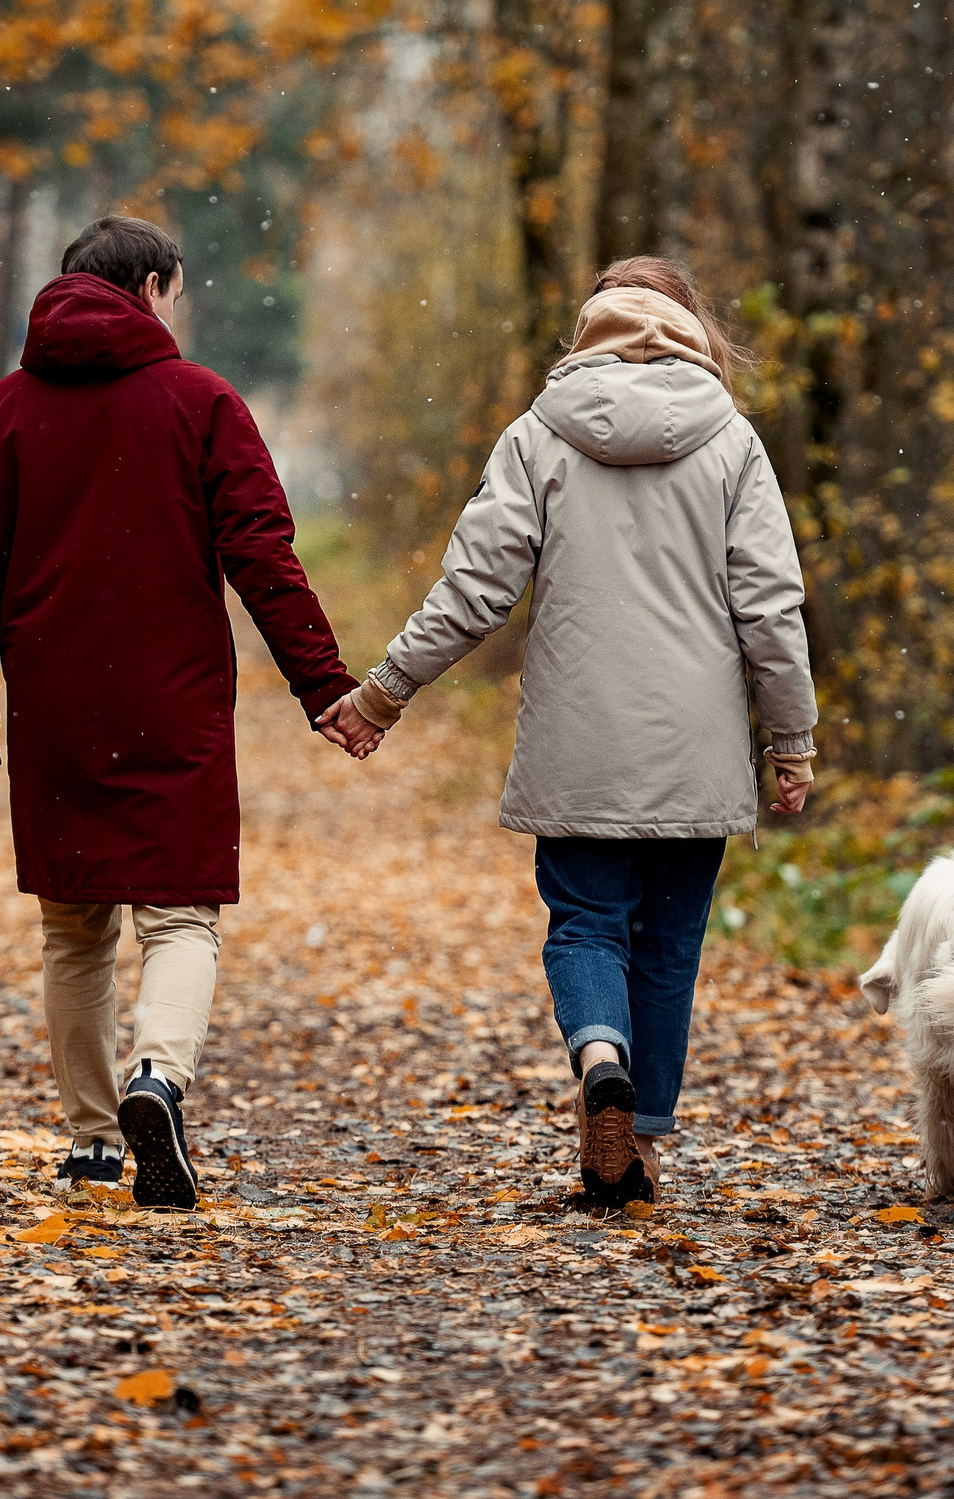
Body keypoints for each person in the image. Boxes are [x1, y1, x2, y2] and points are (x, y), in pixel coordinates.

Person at [321, 257, 818, 1205]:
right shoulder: (733, 443)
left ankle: (600, 1058)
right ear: (689, 329)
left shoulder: (538, 435)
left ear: (593, 325)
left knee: (587, 925)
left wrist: (383, 693)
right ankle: (642, 1148)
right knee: (670, 945)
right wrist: (789, 741)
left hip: (578, 745)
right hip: (694, 749)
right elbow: (772, 608)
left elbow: (476, 592)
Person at [0, 215, 359, 1210]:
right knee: (179, 912)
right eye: (179, 288)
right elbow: (261, 550)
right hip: (173, 699)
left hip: (54, 703)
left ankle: (89, 1140)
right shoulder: (201, 403)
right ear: (156, 286)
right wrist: (323, 684)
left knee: (74, 930)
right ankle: (156, 1078)